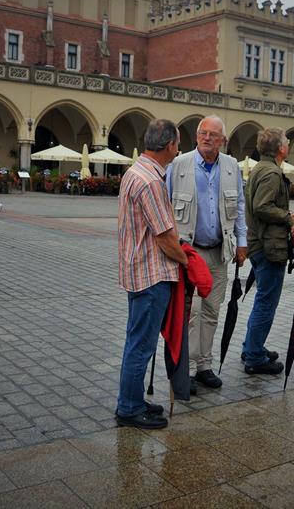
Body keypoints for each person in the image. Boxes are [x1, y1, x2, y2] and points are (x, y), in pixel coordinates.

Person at [166, 115, 248, 393]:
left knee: (212, 309)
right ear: (196, 136)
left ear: (223, 140)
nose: (208, 138)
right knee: (192, 313)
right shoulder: (179, 165)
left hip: (219, 251)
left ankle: (204, 366)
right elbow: (165, 206)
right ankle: (187, 370)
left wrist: (242, 242)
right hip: (189, 252)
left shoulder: (231, 166)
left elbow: (239, 205)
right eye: (203, 133)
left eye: (214, 134)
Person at [116, 119, 187, 430]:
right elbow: (164, 237)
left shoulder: (135, 172)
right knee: (141, 345)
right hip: (151, 274)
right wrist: (186, 260)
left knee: (137, 341)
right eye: (178, 143)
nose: (178, 148)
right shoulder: (151, 181)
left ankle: (132, 399)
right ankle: (129, 408)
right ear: (169, 145)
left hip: (137, 270)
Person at [241, 127, 294, 375]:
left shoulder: (261, 169)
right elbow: (262, 206)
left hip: (260, 243)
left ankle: (252, 347)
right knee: (266, 302)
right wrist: (286, 217)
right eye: (286, 141)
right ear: (281, 148)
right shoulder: (272, 173)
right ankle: (254, 356)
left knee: (262, 299)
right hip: (269, 246)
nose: (288, 144)